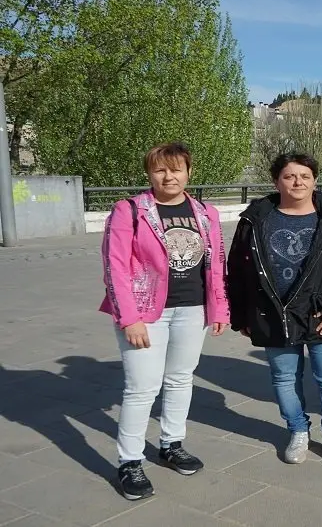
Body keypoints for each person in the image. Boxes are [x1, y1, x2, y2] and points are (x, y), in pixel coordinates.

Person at [99, 142, 229, 500]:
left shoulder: (205, 212)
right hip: (145, 313)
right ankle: (129, 461)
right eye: (160, 169)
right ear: (149, 174)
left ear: (189, 172)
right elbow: (115, 268)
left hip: (192, 310)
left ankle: (171, 443)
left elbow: (216, 262)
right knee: (141, 387)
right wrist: (130, 319)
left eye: (176, 169)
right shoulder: (130, 210)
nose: (168, 176)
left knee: (180, 380)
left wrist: (219, 308)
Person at [226, 153, 322, 466]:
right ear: (277, 181)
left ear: (314, 179)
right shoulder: (255, 220)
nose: (298, 182)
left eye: (304, 176)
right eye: (290, 176)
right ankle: (298, 430)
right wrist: (241, 315)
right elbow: (236, 269)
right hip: (273, 313)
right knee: (284, 378)